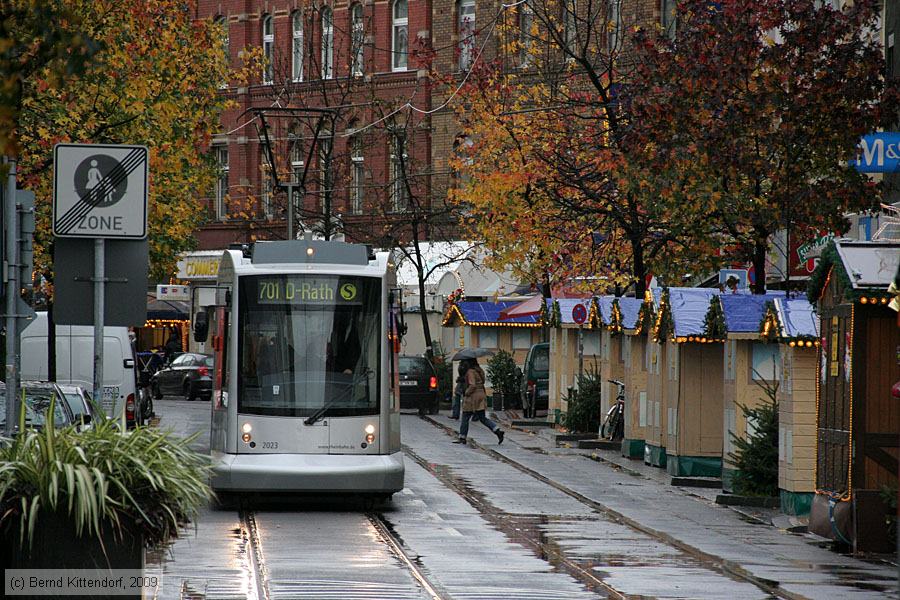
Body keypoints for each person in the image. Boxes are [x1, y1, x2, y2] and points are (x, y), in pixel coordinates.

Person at [454, 358, 504, 445]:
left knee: (465, 416)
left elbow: (472, 385)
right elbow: (483, 381)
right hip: (481, 394)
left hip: (473, 397)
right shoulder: (479, 370)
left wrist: (466, 392)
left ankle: (462, 437)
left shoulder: (470, 371)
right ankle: (497, 430)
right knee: (482, 418)